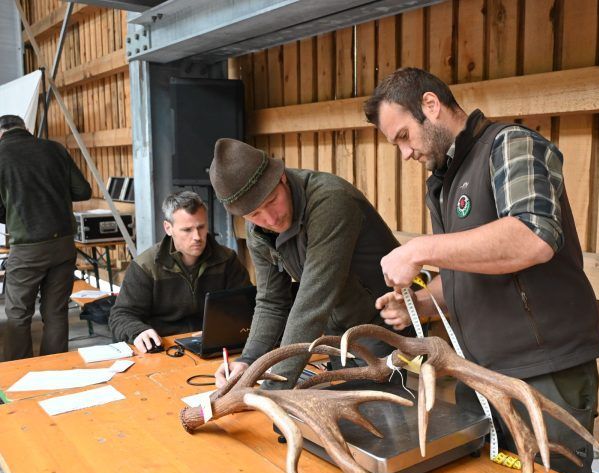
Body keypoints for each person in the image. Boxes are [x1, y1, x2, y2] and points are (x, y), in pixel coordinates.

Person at [363, 68, 599, 473]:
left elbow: (533, 237)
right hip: (479, 374)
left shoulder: (510, 145)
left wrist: (419, 249)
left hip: (542, 374)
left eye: (403, 136)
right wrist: (421, 303)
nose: (404, 153)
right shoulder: (443, 181)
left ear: (430, 106)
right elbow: (468, 271)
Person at [208, 138, 405, 388]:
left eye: (271, 202)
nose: (269, 218)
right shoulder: (259, 229)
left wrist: (273, 388)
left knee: (382, 419)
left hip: (382, 328)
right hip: (338, 336)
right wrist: (248, 362)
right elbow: (271, 301)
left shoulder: (330, 202)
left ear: (281, 178)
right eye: (255, 214)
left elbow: (312, 304)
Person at [109, 191, 251, 353]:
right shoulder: (145, 266)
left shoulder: (227, 260)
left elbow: (246, 307)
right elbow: (121, 315)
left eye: (201, 227)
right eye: (187, 230)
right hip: (164, 348)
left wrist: (224, 329)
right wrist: (138, 331)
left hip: (213, 345)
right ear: (168, 228)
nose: (197, 236)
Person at [0, 115, 92, 361]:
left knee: (18, 314)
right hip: (63, 243)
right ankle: (54, 371)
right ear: (26, 128)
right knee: (56, 312)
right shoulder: (54, 149)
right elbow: (83, 190)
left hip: (27, 246)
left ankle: (17, 378)